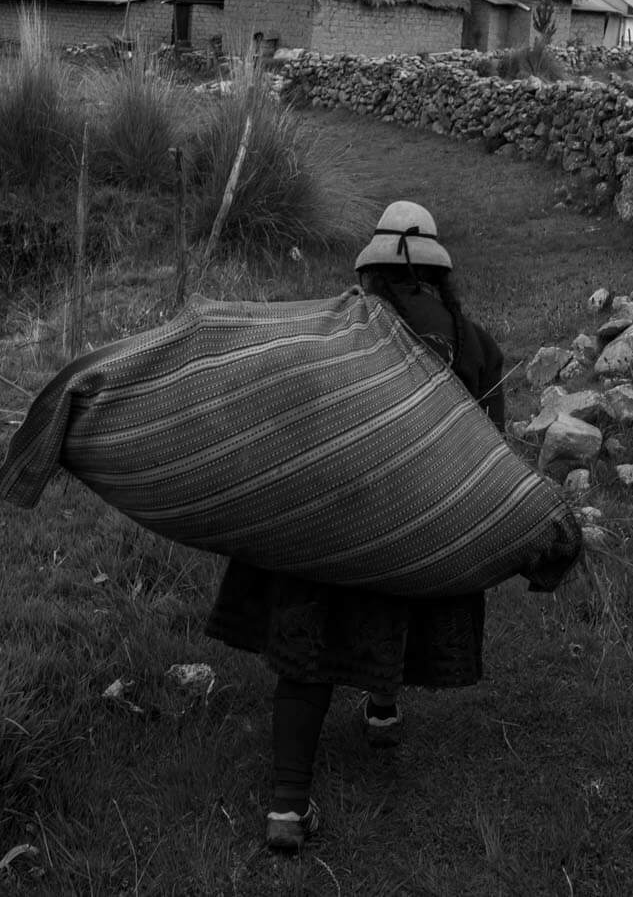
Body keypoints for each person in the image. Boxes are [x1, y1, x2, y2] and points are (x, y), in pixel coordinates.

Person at [203, 200, 507, 856]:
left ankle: (287, 804)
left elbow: (289, 415)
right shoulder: (477, 344)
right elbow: (489, 449)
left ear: (369, 273)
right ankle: (382, 710)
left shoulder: (335, 329)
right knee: (394, 594)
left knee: (308, 648)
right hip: (418, 522)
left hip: (331, 515)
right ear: (438, 274)